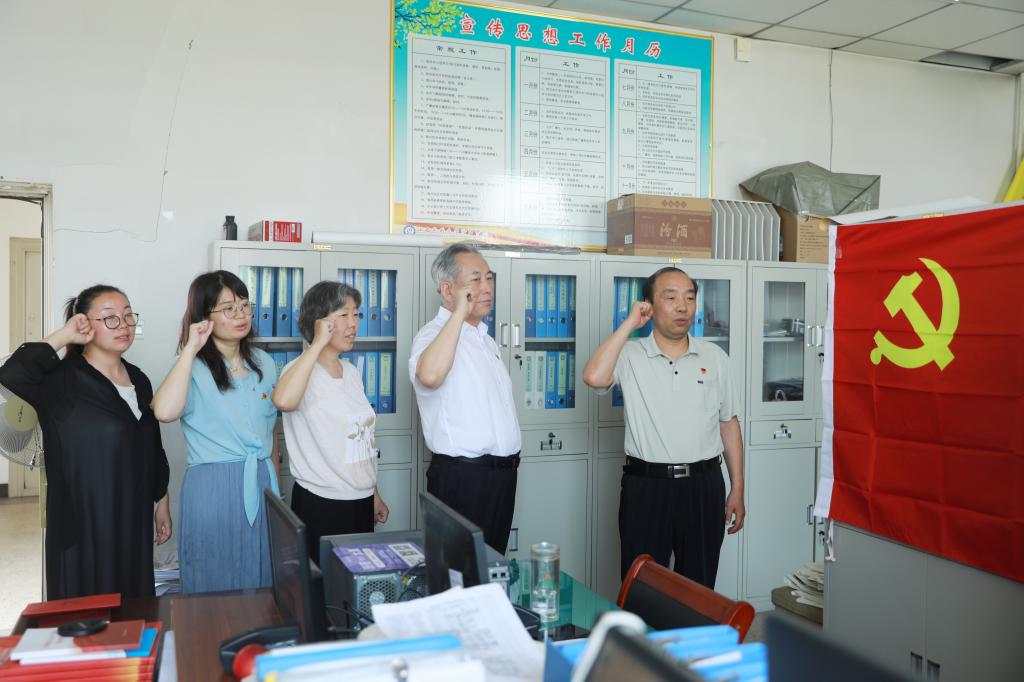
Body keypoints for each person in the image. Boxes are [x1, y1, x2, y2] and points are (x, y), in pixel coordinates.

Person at [0, 285, 170, 599]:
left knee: (132, 608)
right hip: (82, 523)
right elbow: (11, 374)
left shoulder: (139, 379)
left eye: (128, 316)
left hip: (132, 517)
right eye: (110, 318)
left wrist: (162, 501)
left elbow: (152, 445)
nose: (124, 325)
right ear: (85, 324)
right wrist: (64, 335)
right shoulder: (60, 381)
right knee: (86, 612)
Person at [583, 267, 745, 588]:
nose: (682, 307)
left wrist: (737, 488)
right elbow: (594, 377)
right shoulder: (630, 354)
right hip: (646, 487)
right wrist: (629, 324)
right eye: (670, 298)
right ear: (649, 306)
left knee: (699, 588)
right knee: (641, 587)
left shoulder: (714, 357)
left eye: (690, 298)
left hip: (703, 486)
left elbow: (728, 423)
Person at [152, 270, 279, 593]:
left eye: (244, 305)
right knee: (213, 575)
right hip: (212, 488)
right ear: (204, 316)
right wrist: (190, 349)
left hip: (261, 481)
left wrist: (276, 495)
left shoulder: (264, 363)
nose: (240, 315)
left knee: (261, 577)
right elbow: (164, 411)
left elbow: (272, 432)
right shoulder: (191, 366)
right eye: (228, 308)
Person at [410, 243, 521, 554]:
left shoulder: (485, 340)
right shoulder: (432, 335)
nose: (487, 287)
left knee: (491, 567)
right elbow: (429, 375)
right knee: (458, 573)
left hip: (501, 478)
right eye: (475, 279)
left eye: (489, 278)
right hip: (463, 478)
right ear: (448, 290)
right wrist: (459, 312)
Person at [272, 281, 389, 562]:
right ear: (319, 322)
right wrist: (317, 344)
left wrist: (372, 492)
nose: (354, 323)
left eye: (356, 314)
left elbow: (362, 440)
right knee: (325, 585)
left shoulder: (351, 372)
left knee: (357, 581)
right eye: (343, 315)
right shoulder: (299, 370)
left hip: (360, 499)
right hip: (322, 503)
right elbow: (283, 401)